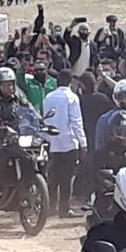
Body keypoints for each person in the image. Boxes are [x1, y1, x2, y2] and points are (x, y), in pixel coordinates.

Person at [43, 69, 87, 218]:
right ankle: (64, 208)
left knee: (53, 176)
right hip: (69, 143)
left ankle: (51, 207)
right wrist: (83, 143)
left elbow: (45, 119)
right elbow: (76, 122)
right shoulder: (72, 98)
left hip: (52, 143)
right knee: (67, 178)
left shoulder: (48, 97)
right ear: (70, 81)